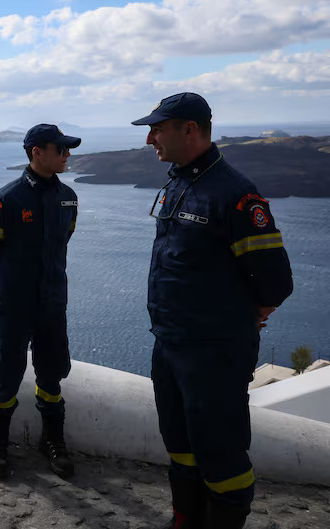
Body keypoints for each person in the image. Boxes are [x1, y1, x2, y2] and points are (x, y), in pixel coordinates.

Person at [131, 92, 293, 529]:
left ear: (189, 129)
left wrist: (244, 315)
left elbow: (276, 281)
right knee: (180, 447)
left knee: (221, 456)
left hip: (214, 353)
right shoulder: (179, 184)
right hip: (170, 344)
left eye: (157, 129)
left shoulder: (235, 195)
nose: (149, 139)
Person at [0, 124, 81, 480]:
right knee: (5, 376)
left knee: (52, 376)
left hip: (52, 305)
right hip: (14, 306)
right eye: (60, 149)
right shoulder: (6, 200)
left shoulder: (68, 198)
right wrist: (13, 280)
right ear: (37, 152)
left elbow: (63, 240)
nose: (67, 155)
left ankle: (52, 443)